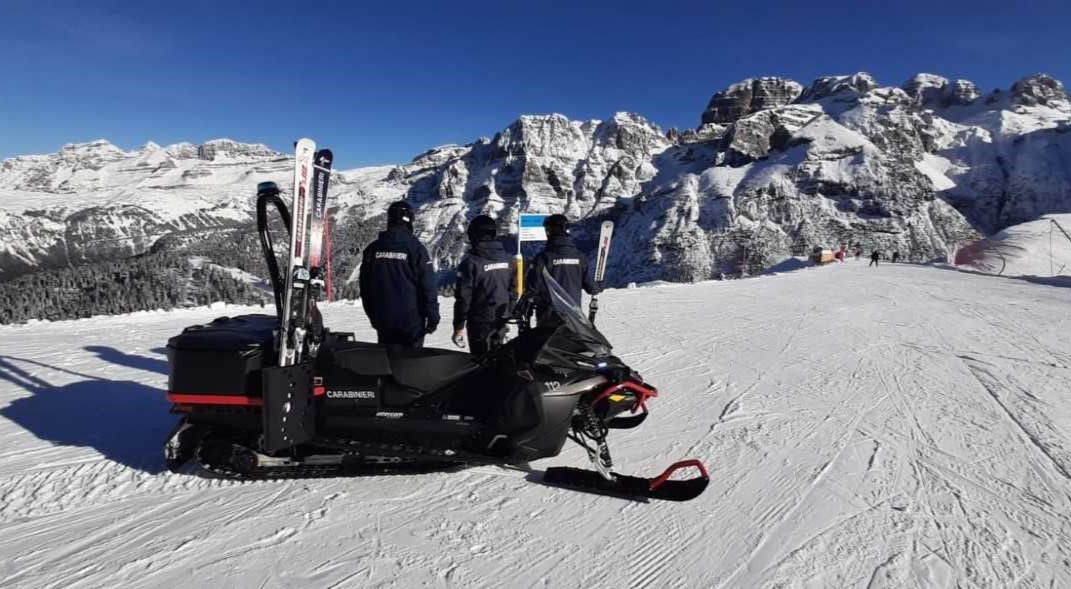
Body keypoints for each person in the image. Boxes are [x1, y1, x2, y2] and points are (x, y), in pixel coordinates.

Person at [359, 201, 439, 347]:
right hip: (412, 323)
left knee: (386, 364)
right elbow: (428, 287)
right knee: (410, 365)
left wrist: (373, 316)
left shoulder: (372, 249)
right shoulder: (417, 250)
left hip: (383, 320)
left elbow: (365, 288)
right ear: (410, 221)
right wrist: (433, 317)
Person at [452, 215, 515, 356]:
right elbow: (513, 290)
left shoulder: (471, 262)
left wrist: (458, 326)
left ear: (474, 235)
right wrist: (508, 312)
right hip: (501, 319)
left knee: (480, 362)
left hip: (479, 323)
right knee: (499, 360)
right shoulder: (508, 259)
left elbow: (463, 298)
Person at [523, 214, 600, 327]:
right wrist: (599, 285)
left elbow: (532, 288)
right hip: (574, 318)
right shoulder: (580, 257)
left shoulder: (542, 258)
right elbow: (591, 288)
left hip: (548, 318)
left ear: (549, 231)